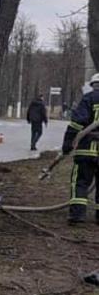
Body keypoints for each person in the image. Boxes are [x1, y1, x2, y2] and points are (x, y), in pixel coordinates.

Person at [62, 73, 99, 225]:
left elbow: (77, 123)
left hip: (86, 149)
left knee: (80, 181)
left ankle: (77, 216)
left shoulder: (88, 98)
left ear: (92, 85)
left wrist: (68, 143)